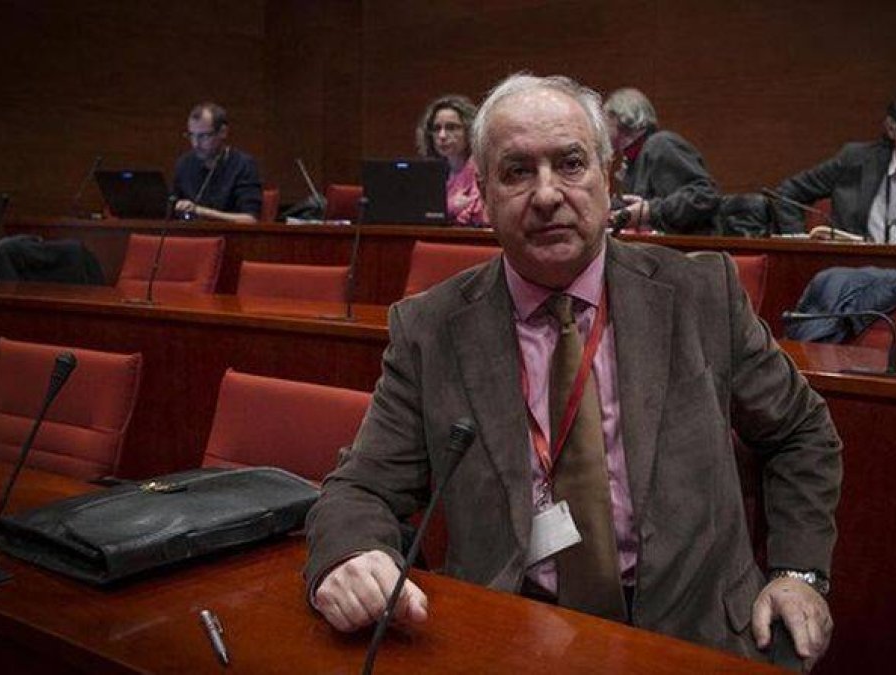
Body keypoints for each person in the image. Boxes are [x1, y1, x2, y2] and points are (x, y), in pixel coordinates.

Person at [304, 73, 843, 669]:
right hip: (511, 634)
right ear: (480, 192)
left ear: (609, 180)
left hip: (699, 631)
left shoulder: (701, 294)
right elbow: (359, 488)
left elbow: (801, 433)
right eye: (516, 172)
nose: (546, 194)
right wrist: (348, 553)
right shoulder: (431, 330)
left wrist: (799, 571)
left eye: (570, 164)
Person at [775, 86, 896, 244]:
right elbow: (786, 194)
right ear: (892, 129)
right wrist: (800, 244)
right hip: (849, 273)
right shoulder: (855, 161)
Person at [604, 87, 721, 234]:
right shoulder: (634, 158)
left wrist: (649, 211)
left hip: (688, 251)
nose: (602, 128)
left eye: (605, 119)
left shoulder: (661, 144)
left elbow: (705, 195)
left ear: (620, 118)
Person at [172, 102, 262, 223]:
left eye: (203, 136)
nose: (196, 144)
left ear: (223, 132)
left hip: (230, 237)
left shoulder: (243, 165)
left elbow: (250, 219)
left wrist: (201, 211)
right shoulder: (184, 164)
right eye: (191, 135)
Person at [416, 95, 486, 227]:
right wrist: (452, 206)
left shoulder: (482, 167)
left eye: (451, 127)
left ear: (469, 130)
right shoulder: (432, 173)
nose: (442, 136)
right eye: (437, 129)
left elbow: (480, 213)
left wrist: (444, 209)